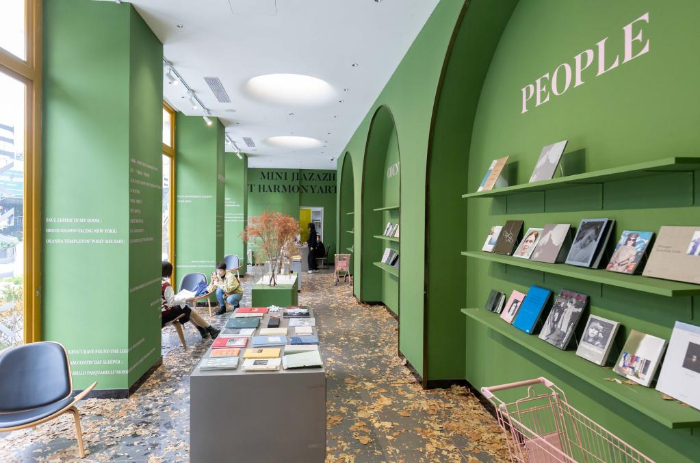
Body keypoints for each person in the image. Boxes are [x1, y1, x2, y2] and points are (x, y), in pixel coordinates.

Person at [161, 261, 219, 340]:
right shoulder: (165, 285)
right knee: (185, 308)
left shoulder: (156, 282)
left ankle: (202, 329)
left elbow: (166, 299)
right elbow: (171, 302)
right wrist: (187, 299)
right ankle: (210, 329)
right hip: (165, 315)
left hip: (160, 314)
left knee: (184, 308)